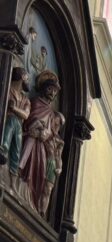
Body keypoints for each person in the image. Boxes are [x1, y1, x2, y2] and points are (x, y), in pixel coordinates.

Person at [19, 69, 64, 217]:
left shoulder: (52, 113)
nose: (52, 93)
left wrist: (46, 134)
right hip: (31, 138)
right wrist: (36, 126)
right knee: (27, 166)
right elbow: (28, 119)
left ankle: (33, 201)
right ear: (44, 88)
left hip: (42, 147)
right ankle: (21, 187)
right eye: (50, 89)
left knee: (41, 172)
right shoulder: (35, 102)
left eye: (55, 92)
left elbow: (52, 132)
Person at [2, 67, 30, 176]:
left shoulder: (26, 100)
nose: (28, 81)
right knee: (13, 120)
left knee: (15, 121)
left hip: (17, 127)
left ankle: (13, 173)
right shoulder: (6, 89)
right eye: (27, 78)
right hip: (5, 122)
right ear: (22, 77)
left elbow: (26, 115)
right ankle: (3, 149)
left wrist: (14, 109)